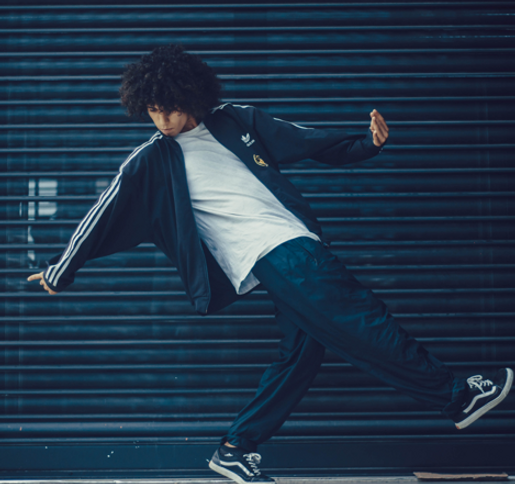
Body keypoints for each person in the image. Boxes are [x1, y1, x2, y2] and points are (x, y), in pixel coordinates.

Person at [28, 44, 513, 484]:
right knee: (363, 318)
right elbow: (102, 212)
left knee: (301, 355)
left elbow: (307, 141)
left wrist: (368, 145)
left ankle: (236, 447)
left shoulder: (234, 120)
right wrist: (58, 271)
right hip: (272, 252)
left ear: (189, 96)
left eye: (169, 106)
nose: (161, 119)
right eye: (152, 110)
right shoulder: (151, 160)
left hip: (291, 243)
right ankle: (456, 394)